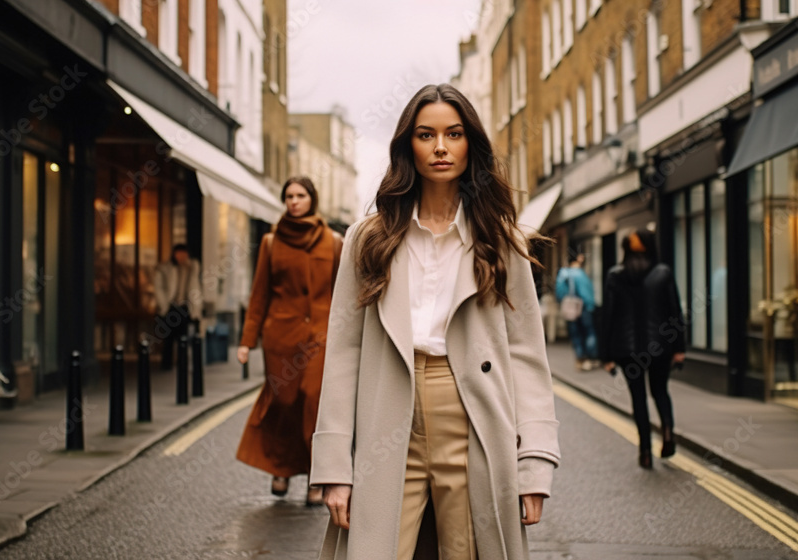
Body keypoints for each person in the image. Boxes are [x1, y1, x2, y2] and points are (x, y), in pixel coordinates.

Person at [310, 84, 560, 560]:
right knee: (374, 547)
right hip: (387, 406)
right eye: (426, 135)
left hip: (469, 411)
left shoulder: (500, 239)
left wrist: (535, 462)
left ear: (471, 145)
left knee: (469, 549)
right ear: (409, 146)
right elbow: (344, 350)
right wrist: (335, 467)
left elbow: (527, 355)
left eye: (454, 134)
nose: (441, 147)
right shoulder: (369, 239)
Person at [236, 176, 343, 507]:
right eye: (289, 196)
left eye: (300, 195)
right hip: (280, 337)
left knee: (313, 400)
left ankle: (316, 475)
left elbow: (345, 295)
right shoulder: (270, 242)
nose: (294, 201)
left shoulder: (335, 242)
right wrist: (246, 340)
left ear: (312, 198)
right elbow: (260, 294)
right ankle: (280, 469)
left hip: (322, 336)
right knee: (283, 402)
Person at [599, 229, 685, 470]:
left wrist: (605, 355)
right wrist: (679, 348)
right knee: (660, 391)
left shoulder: (615, 275)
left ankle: (645, 451)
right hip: (660, 347)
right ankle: (667, 433)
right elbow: (674, 313)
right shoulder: (663, 273)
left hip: (627, 351)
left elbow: (608, 316)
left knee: (638, 399)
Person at [153, 244, 203, 370]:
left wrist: (196, 310)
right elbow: (158, 288)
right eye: (179, 254)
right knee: (168, 338)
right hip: (170, 307)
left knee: (183, 338)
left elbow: (195, 287)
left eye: (184, 254)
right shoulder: (166, 268)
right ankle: (167, 364)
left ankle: (182, 364)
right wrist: (163, 304)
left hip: (185, 307)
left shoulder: (192, 268)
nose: (181, 257)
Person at [555, 252, 597, 370]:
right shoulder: (581, 274)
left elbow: (559, 293)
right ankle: (589, 358)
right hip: (584, 308)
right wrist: (590, 307)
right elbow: (587, 295)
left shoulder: (563, 273)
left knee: (575, 334)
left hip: (570, 308)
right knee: (589, 332)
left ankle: (579, 359)